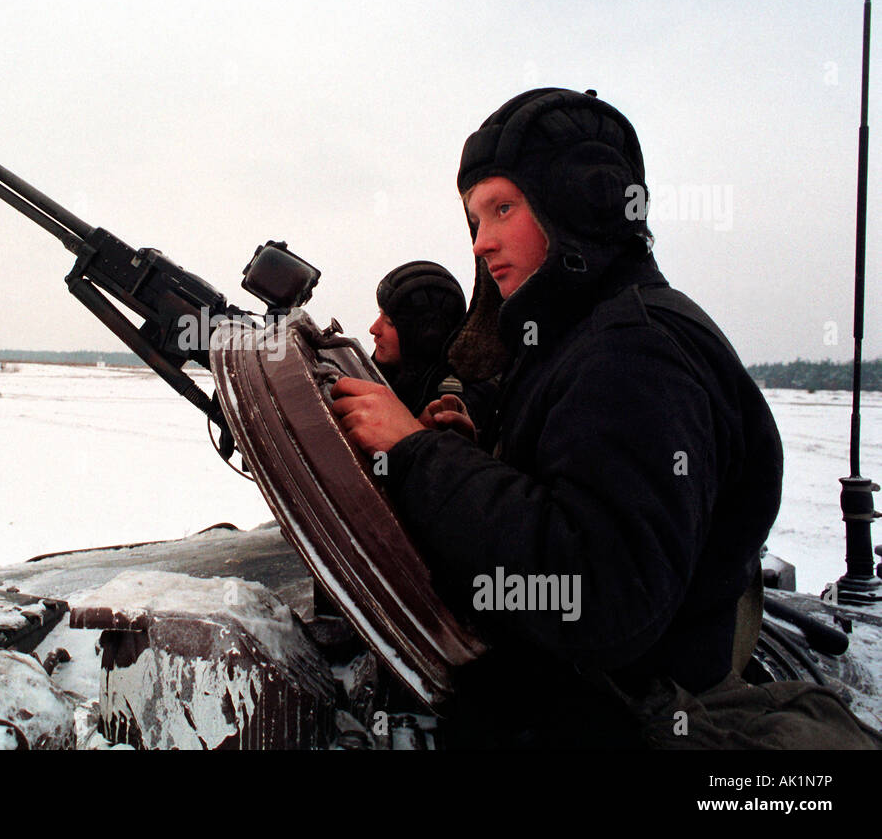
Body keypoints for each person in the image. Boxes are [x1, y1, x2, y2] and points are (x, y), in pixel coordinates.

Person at [330, 88, 875, 748]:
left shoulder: (637, 352)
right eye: (475, 219)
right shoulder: (581, 335)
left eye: (503, 208)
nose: (482, 242)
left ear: (580, 204)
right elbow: (572, 496)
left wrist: (421, 456)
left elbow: (599, 595)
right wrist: (470, 456)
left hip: (630, 713)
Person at [367, 261, 467, 415]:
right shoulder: (378, 375)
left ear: (426, 337)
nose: (373, 329)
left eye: (390, 322)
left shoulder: (453, 407)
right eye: (380, 314)